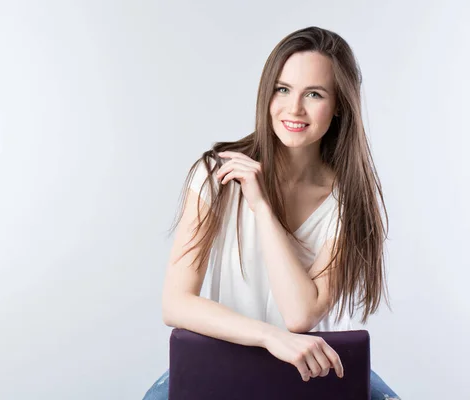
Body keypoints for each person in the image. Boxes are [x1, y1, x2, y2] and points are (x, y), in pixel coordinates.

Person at [143, 26, 400, 400]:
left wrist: (261, 207)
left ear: (340, 105)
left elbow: (300, 316)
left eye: (314, 94)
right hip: (224, 357)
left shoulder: (348, 201)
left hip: (318, 371)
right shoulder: (217, 175)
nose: (294, 109)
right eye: (282, 90)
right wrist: (269, 338)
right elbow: (176, 303)